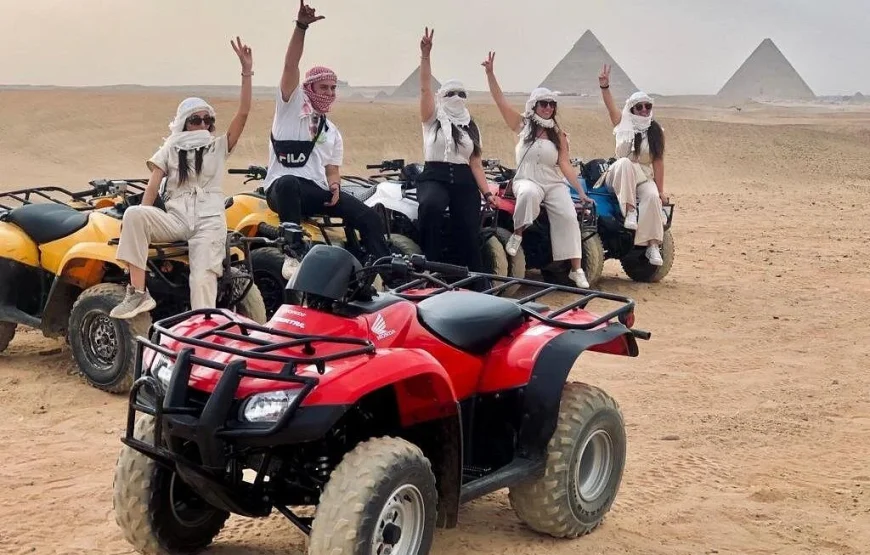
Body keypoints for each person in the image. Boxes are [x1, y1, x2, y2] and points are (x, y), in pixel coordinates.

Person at [110, 37, 254, 319]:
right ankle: (138, 293)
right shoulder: (171, 147)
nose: (202, 125)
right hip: (177, 219)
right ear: (184, 123)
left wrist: (246, 71)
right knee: (134, 215)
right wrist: (146, 214)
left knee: (201, 280)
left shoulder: (218, 146)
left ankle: (204, 337)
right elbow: (154, 182)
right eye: (195, 120)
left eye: (206, 120)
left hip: (209, 221)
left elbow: (244, 112)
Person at [262, 0, 390, 280]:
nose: (330, 93)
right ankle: (292, 253)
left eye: (333, 88)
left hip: (315, 192)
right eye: (324, 87)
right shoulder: (289, 108)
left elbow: (332, 168)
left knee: (369, 216)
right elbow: (290, 64)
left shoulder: (331, 130)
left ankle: (384, 273)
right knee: (287, 182)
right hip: (281, 194)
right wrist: (301, 27)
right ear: (309, 88)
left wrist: (334, 185)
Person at [482, 52, 592, 288]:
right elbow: (500, 101)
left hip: (553, 182)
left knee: (569, 216)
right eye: (544, 103)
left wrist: (580, 193)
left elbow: (564, 164)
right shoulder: (522, 125)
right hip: (527, 178)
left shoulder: (559, 134)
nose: (549, 108)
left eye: (552, 104)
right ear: (534, 105)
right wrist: (490, 74)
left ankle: (576, 268)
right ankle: (518, 234)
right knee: (529, 193)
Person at [416, 27, 496, 276]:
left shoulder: (471, 126)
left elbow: (475, 163)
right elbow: (425, 88)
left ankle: (475, 280)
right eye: (451, 93)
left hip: (464, 179)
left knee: (468, 226)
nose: (457, 97)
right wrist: (426, 56)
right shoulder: (431, 118)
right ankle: (429, 270)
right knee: (431, 207)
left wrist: (487, 192)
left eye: (462, 93)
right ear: (442, 97)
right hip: (435, 176)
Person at [598, 64, 667, 266]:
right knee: (627, 163)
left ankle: (652, 245)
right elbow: (610, 106)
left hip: (643, 177)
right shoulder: (622, 122)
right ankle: (630, 211)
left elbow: (658, 162)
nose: (644, 110)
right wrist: (605, 87)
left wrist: (661, 191)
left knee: (652, 196)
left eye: (648, 106)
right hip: (618, 175)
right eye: (639, 106)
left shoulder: (656, 131)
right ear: (631, 108)